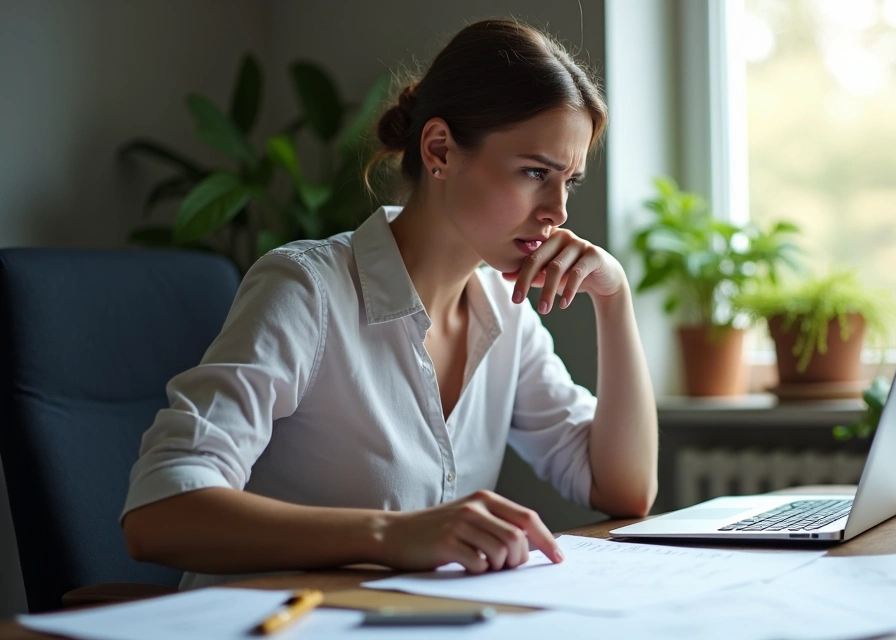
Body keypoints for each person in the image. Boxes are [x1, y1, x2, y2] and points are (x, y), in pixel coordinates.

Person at [120, 18, 658, 589]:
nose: (558, 211)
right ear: (440, 149)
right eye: (534, 173)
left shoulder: (506, 312)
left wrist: (614, 298)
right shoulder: (307, 290)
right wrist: (392, 535)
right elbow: (159, 514)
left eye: (568, 181)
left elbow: (622, 489)